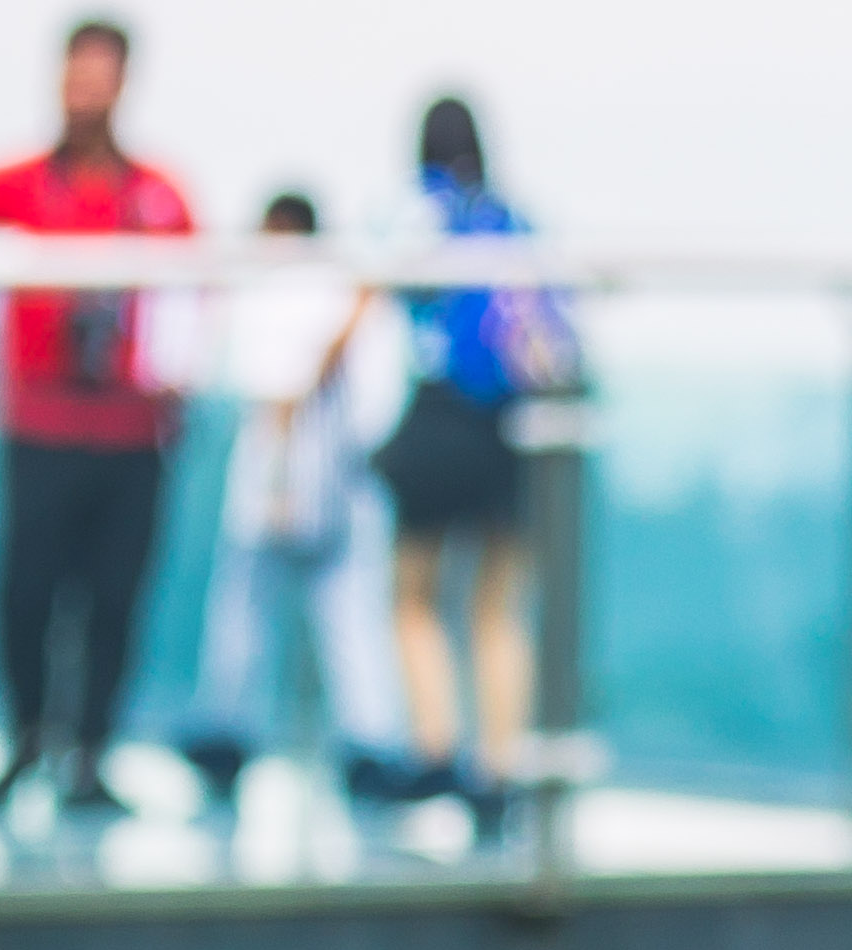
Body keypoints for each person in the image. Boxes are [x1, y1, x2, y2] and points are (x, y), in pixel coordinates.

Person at [0, 15, 198, 823]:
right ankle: (24, 740)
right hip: (40, 428)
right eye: (75, 72)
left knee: (114, 597)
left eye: (101, 73)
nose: (86, 89)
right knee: (24, 594)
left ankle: (90, 756)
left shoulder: (157, 196)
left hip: (128, 431)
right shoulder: (16, 186)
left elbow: (192, 305)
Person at [165, 185, 411, 819]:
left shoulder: (264, 293)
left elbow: (249, 379)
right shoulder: (353, 296)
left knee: (242, 616)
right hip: (346, 480)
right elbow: (380, 402)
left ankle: (227, 734)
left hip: (270, 472)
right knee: (352, 619)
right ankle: (370, 745)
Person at [374, 92, 572, 828]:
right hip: (510, 425)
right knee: (498, 606)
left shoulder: (421, 212)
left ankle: (435, 747)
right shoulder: (516, 222)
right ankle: (499, 768)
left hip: (440, 413)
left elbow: (389, 290)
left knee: (415, 597)